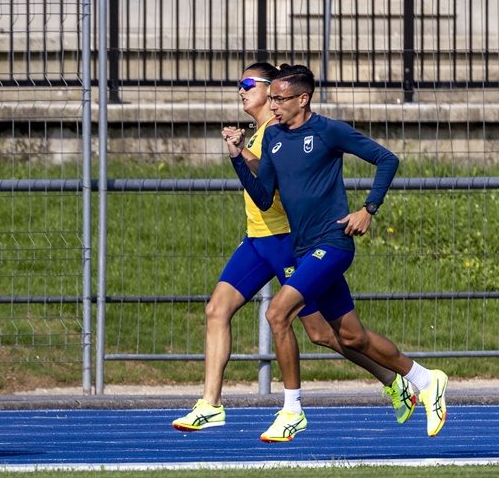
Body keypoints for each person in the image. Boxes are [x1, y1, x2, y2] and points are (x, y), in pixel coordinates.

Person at [173, 63, 414, 435]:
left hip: (288, 240)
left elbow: (282, 183)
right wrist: (239, 153)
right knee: (216, 309)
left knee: (323, 333)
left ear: (276, 93)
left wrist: (367, 208)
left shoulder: (284, 127)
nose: (242, 90)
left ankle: (391, 378)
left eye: (249, 83)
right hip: (257, 240)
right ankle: (211, 404)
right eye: (242, 85)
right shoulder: (261, 132)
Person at [232, 64, 447, 441]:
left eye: (280, 98)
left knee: (277, 311)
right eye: (273, 98)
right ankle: (426, 380)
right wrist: (237, 158)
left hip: (332, 245)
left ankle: (292, 410)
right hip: (303, 249)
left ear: (303, 98)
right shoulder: (274, 140)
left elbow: (387, 159)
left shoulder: (328, 130)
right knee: (351, 338)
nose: (273, 104)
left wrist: (368, 209)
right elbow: (265, 198)